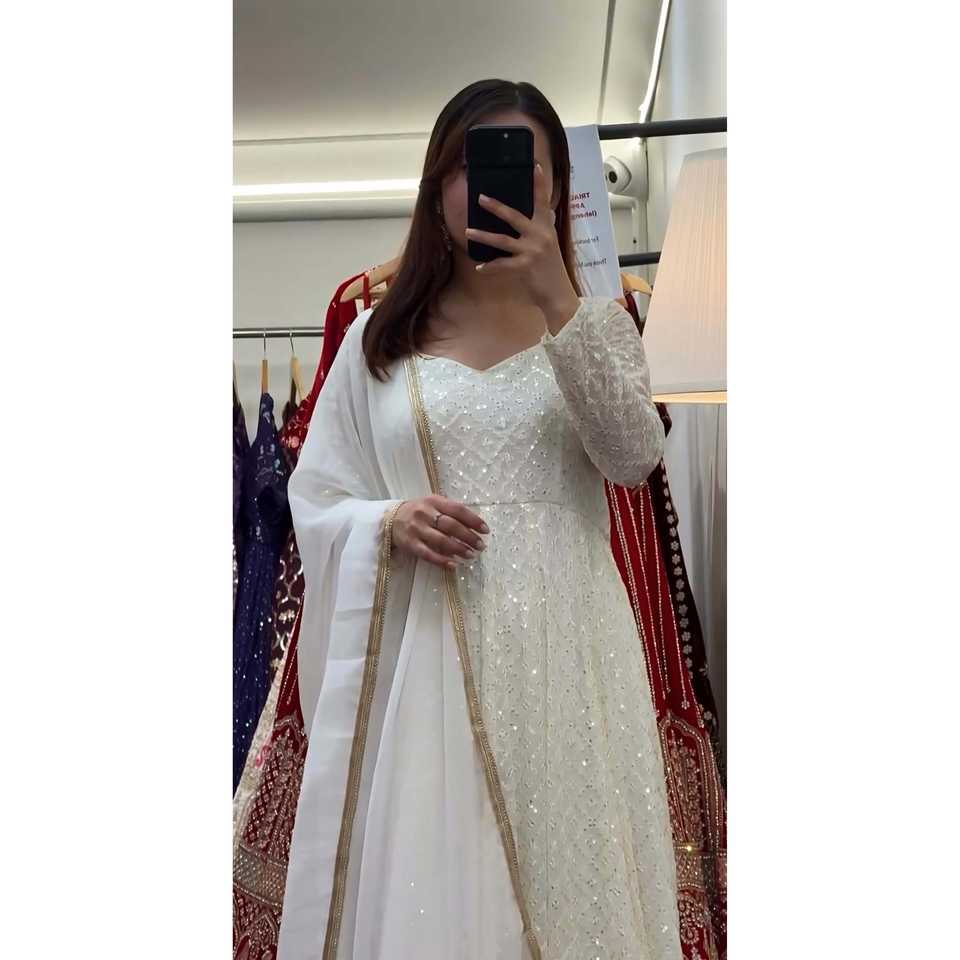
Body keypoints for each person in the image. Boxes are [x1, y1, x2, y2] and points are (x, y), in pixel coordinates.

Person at [277, 79, 682, 960]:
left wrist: (560, 303)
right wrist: (388, 521)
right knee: (437, 880)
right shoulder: (377, 340)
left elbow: (632, 458)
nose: (490, 185)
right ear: (437, 188)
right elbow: (317, 497)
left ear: (556, 187)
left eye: (523, 166)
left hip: (569, 650)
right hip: (428, 649)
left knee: (574, 874)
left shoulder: (599, 325)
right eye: (468, 165)